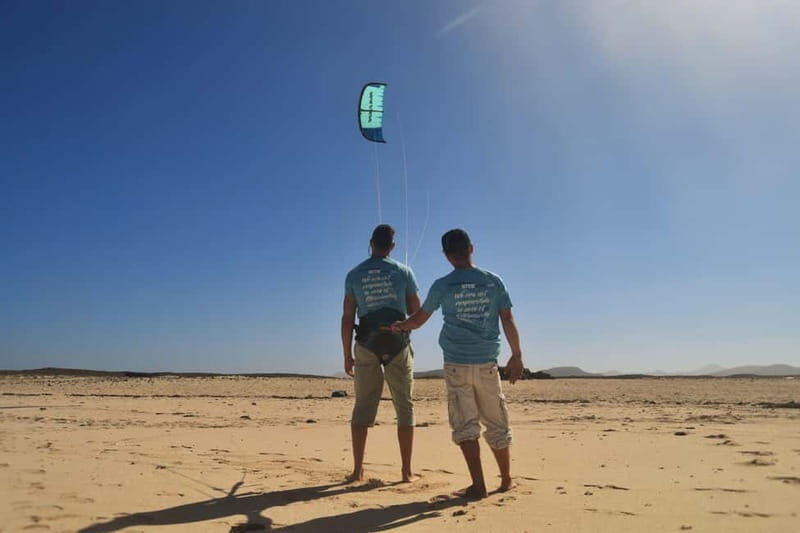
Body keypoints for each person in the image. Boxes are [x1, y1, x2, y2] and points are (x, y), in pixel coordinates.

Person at [390, 228, 524, 498]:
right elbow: (507, 319)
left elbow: (419, 318)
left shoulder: (443, 285)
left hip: (456, 364)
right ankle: (506, 479)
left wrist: (401, 326)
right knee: (497, 421)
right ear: (471, 248)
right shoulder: (493, 281)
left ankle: (479, 484)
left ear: (447, 256)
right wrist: (517, 354)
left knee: (466, 425)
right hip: (487, 362)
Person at [341, 224, 421, 483]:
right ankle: (406, 472)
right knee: (404, 407)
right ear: (392, 247)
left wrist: (346, 354)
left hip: (366, 343)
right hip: (397, 342)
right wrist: (401, 327)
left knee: (362, 406)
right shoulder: (404, 271)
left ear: (371, 243)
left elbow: (346, 318)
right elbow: (415, 312)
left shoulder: (354, 275)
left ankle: (357, 470)